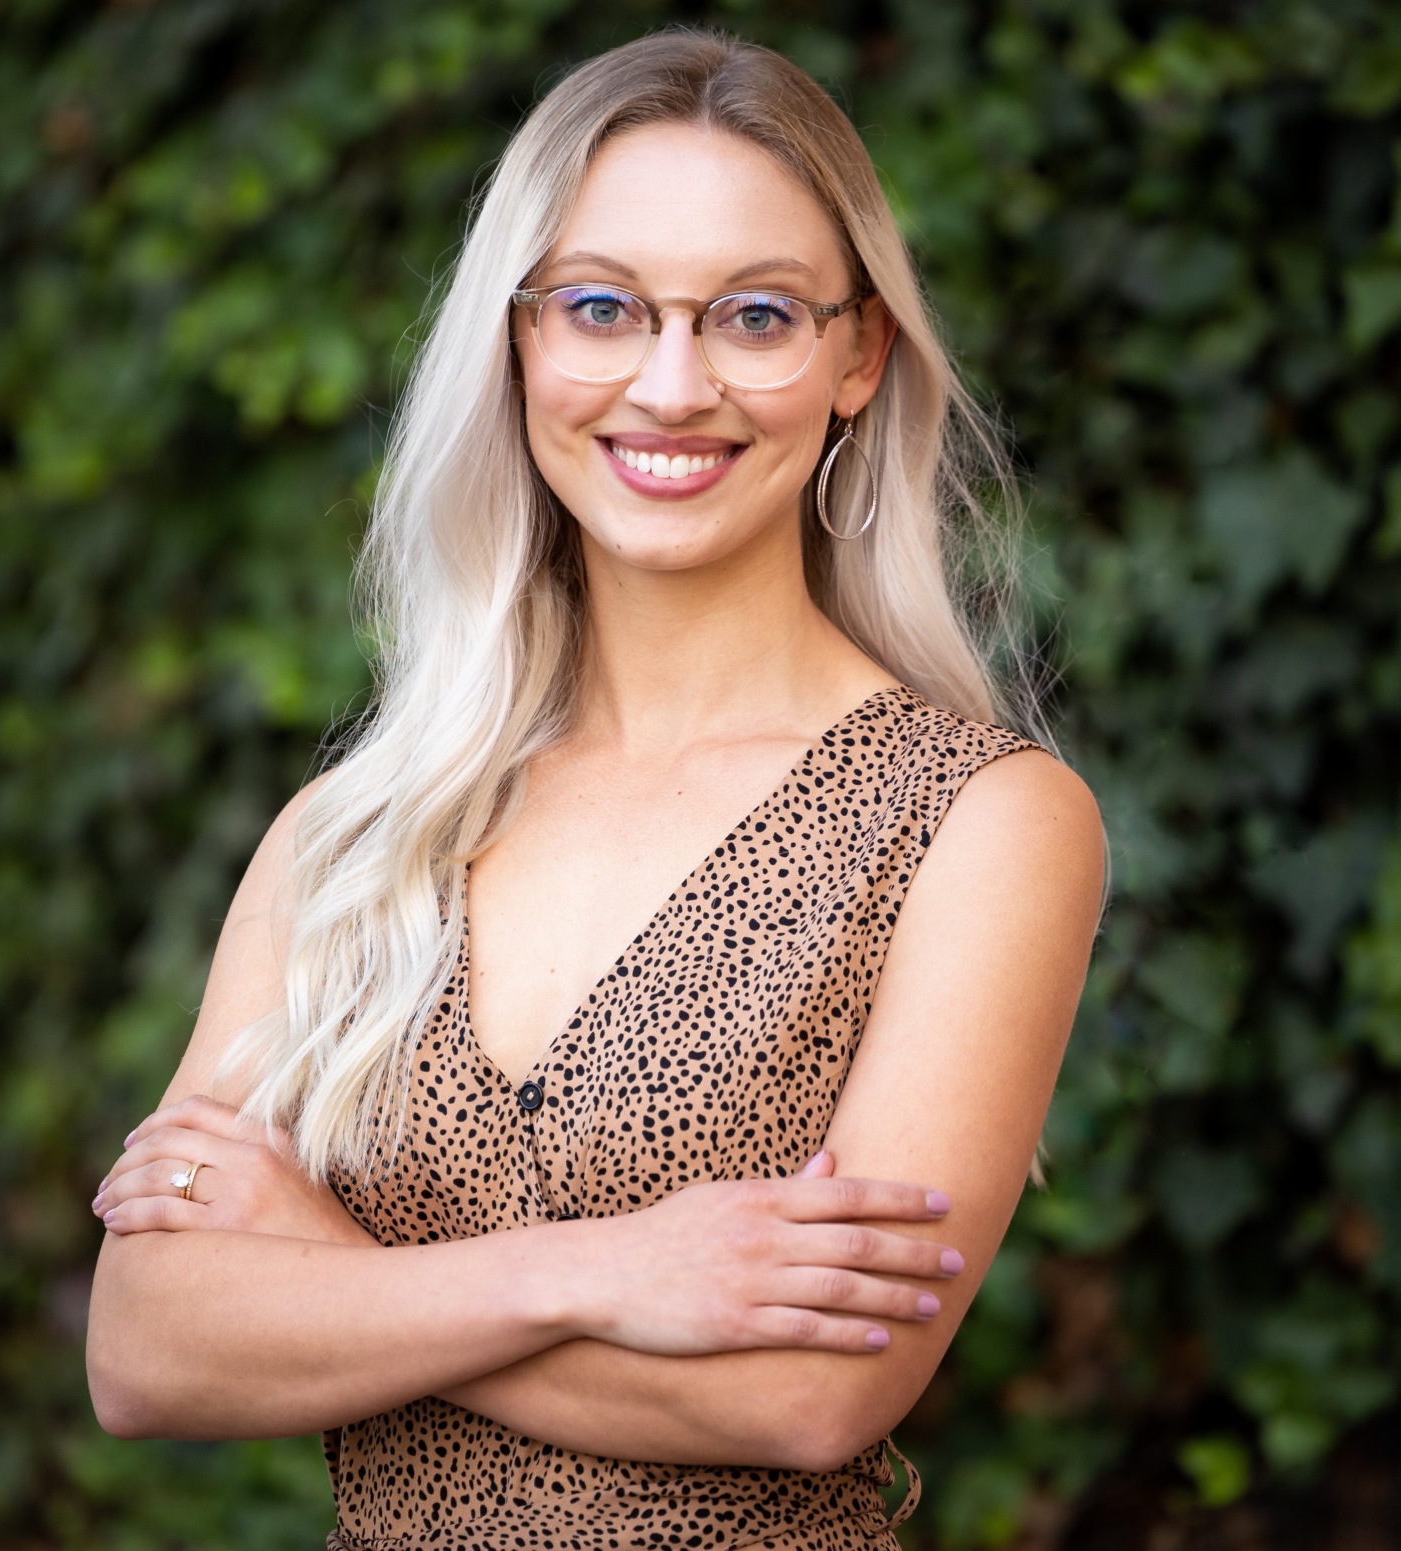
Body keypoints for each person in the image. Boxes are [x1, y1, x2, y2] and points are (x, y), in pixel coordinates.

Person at [85, 28, 1105, 1551]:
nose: (672, 384)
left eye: (756, 315)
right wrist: (603, 1275)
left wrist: (323, 1280)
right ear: (518, 343)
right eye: (602, 307)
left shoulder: (977, 819)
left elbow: (812, 1399)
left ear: (855, 358)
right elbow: (149, 1349)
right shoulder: (365, 834)